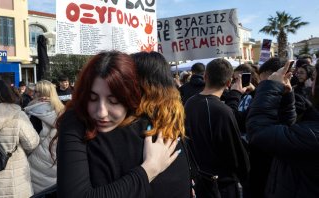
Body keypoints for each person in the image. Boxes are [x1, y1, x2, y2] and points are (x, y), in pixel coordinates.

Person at [57, 51, 183, 198]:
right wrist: (149, 169)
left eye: (114, 101)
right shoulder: (75, 120)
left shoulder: (154, 130)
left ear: (131, 100)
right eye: (92, 98)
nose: (101, 112)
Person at [247, 61, 319, 197]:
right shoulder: (312, 123)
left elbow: (259, 131)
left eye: (314, 78)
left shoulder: (313, 134)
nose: (311, 83)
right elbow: (289, 130)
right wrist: (286, 95)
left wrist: (270, 87)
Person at [184, 58, 250, 198]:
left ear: (205, 77)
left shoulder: (190, 103)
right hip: (221, 186)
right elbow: (237, 156)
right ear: (228, 83)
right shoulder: (222, 111)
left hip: (200, 180)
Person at [24, 80, 64, 194]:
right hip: (55, 159)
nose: (33, 94)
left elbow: (29, 141)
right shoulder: (62, 111)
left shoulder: (35, 113)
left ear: (41, 94)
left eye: (35, 91)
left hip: (37, 162)